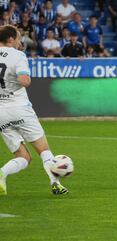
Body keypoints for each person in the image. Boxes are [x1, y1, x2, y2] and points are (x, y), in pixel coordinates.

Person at [0, 25, 69, 195]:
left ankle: (1, 174)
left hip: (1, 113)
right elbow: (24, 80)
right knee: (44, 150)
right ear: (10, 39)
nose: (19, 41)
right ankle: (55, 184)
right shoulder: (17, 55)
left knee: (23, 157)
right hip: (19, 108)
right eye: (18, 38)